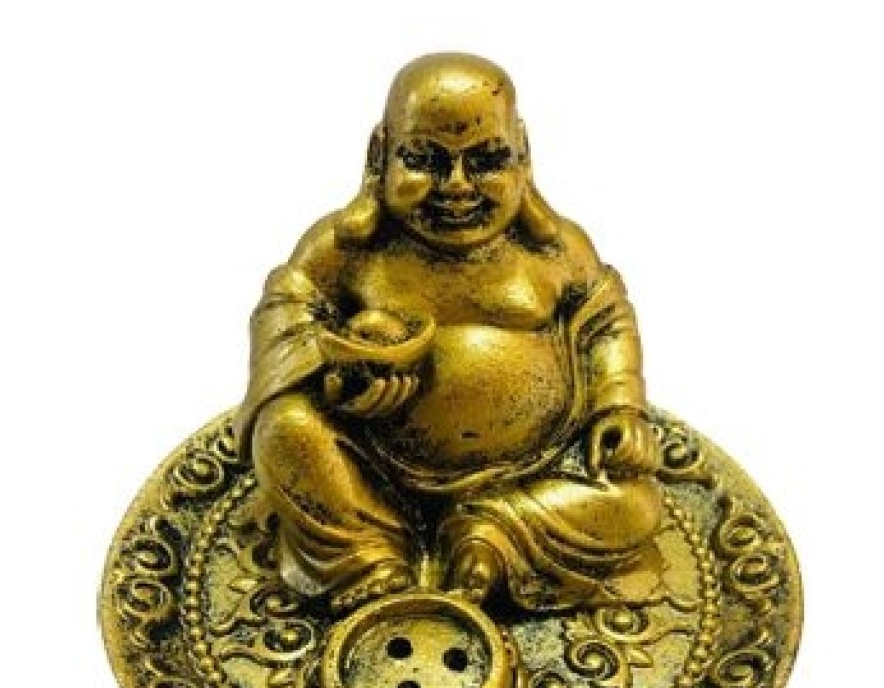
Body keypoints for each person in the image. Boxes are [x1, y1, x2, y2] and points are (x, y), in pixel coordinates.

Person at [235, 53, 662, 613]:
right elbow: (284, 319)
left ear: (522, 156)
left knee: (636, 505)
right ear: (380, 156)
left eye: (486, 161)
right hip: (376, 467)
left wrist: (618, 407)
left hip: (536, 470)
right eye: (425, 160)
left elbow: (606, 321)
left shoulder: (555, 250)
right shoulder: (345, 249)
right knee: (283, 431)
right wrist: (340, 370)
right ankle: (370, 556)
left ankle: (491, 540)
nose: (456, 186)